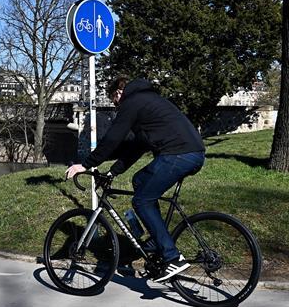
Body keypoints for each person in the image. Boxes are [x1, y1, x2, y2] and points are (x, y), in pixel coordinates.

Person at [65, 77, 206, 282]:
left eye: (114, 98)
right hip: (192, 153)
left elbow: (113, 138)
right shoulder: (148, 102)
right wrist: (114, 171)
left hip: (178, 155)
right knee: (140, 181)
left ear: (119, 92)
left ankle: (172, 257)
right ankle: (158, 240)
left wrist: (85, 164)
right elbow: (138, 146)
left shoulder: (132, 102)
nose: (115, 104)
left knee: (141, 201)